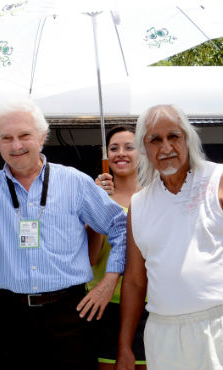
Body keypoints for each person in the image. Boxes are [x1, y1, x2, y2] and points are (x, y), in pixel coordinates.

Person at [0, 99, 127, 370]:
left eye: (24, 135)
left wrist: (109, 281)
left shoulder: (75, 182)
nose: (16, 145)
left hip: (69, 313)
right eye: (6, 138)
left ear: (42, 137)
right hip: (12, 317)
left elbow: (121, 227)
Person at [115, 104, 223, 370]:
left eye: (173, 136)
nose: (166, 148)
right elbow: (134, 282)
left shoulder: (217, 181)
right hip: (162, 333)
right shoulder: (138, 205)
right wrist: (125, 346)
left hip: (217, 325)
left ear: (187, 139)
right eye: (155, 140)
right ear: (144, 148)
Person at [87, 125, 147, 370]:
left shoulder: (156, 196)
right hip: (105, 304)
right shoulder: (94, 196)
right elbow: (90, 258)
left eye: (129, 147)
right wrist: (94, 205)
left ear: (142, 153)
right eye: (114, 148)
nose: (120, 153)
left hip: (149, 304)